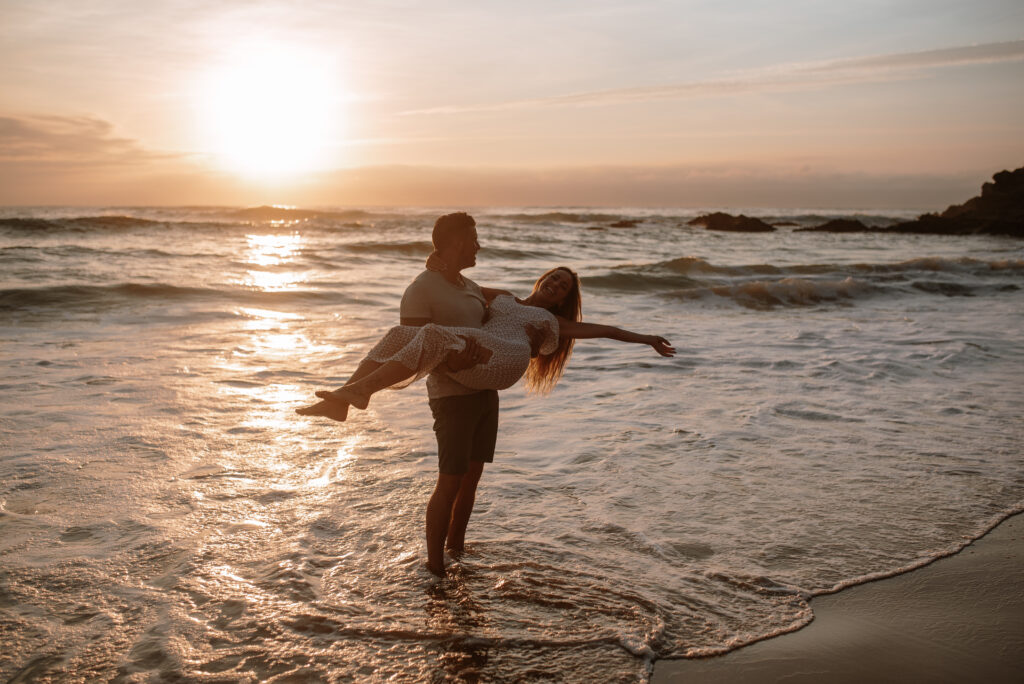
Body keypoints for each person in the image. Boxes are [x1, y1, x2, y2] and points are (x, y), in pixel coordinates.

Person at [296, 213, 674, 577]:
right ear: (542, 279)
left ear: (562, 301)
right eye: (554, 279)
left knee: (431, 336)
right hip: (482, 352)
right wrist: (438, 256)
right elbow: (459, 283)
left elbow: (605, 330)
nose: (556, 286)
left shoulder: (551, 323)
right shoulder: (504, 297)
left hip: (508, 358)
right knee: (403, 335)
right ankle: (344, 399)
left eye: (563, 288)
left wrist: (646, 339)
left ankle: (357, 395)